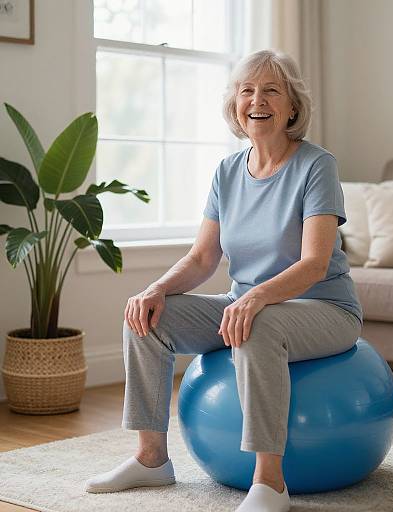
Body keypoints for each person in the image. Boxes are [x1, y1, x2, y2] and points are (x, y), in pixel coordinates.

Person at [85, 49, 363, 512]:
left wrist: (255, 299)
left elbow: (315, 263)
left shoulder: (317, 165)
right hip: (246, 304)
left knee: (258, 325)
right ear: (235, 104)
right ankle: (151, 460)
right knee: (149, 318)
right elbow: (201, 257)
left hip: (324, 308)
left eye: (271, 90)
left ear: (292, 105)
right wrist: (156, 288)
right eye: (246, 90)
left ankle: (269, 484)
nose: (257, 100)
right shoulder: (228, 171)